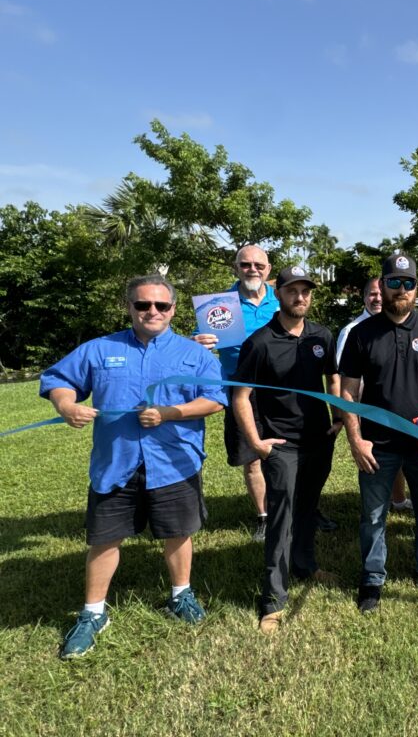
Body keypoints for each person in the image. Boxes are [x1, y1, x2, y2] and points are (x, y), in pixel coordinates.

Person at [40, 275, 227, 659]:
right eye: (143, 305)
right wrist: (67, 406)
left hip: (174, 462)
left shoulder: (195, 355)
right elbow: (59, 379)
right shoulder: (99, 349)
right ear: (129, 307)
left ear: (173, 309)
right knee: (104, 537)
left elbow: (216, 399)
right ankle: (93, 613)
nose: (152, 312)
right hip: (116, 462)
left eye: (161, 305)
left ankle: (181, 595)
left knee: (177, 532)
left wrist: (170, 413)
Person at [339, 254, 418, 613]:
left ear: (416, 288)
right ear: (382, 285)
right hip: (377, 444)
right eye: (394, 282)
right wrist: (355, 438)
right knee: (373, 516)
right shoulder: (362, 334)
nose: (401, 290)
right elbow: (348, 392)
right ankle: (372, 579)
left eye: (408, 283)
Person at [232, 266, 342, 634]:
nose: (300, 297)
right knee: (281, 519)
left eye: (306, 291)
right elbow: (241, 397)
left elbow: (333, 378)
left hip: (319, 439)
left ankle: (305, 565)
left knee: (309, 508)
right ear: (277, 293)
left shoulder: (321, 335)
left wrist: (340, 417)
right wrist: (257, 442)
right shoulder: (260, 341)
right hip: (281, 445)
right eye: (292, 291)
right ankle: (273, 600)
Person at [193, 245, 280, 541]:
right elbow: (201, 352)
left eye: (259, 264)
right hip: (240, 392)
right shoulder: (218, 307)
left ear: (268, 269)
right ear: (236, 268)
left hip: (283, 391)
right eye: (245, 265)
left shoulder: (282, 301)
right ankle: (265, 517)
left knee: (292, 453)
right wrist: (198, 342)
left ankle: (303, 510)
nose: (252, 269)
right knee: (253, 456)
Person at [336, 276, 412, 514]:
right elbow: (344, 379)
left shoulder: (399, 324)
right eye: (372, 294)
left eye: (381, 293)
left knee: (398, 457)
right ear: (364, 297)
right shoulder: (352, 332)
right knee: (373, 459)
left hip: (395, 407)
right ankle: (376, 506)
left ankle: (398, 500)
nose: (377, 298)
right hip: (366, 408)